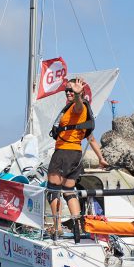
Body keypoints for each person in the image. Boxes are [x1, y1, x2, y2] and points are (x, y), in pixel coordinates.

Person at [46, 78, 108, 242]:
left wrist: (79, 93)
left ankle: (58, 227)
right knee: (68, 191)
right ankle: (78, 226)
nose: (68, 92)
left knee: (53, 190)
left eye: (71, 90)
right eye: (66, 90)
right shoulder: (78, 113)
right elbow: (91, 139)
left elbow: (80, 104)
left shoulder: (77, 108)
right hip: (75, 155)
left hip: (64, 153)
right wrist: (101, 158)